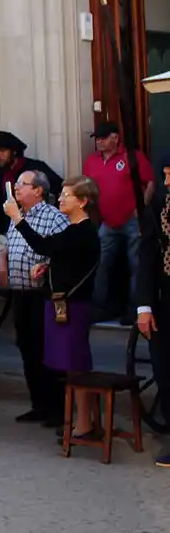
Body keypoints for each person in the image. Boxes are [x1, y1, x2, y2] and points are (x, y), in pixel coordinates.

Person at [4, 176, 102, 442]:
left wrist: (17, 219)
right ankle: (81, 420)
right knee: (69, 365)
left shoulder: (81, 231)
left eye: (67, 195)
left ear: (82, 201)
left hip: (75, 305)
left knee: (75, 365)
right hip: (65, 303)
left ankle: (84, 423)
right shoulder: (74, 231)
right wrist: (48, 267)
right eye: (61, 194)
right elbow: (63, 257)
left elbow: (44, 245)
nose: (60, 198)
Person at [4, 168, 69, 426]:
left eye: (23, 184)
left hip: (42, 294)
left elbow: (62, 252)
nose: (17, 188)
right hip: (19, 293)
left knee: (46, 350)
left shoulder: (54, 218)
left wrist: (46, 266)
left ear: (38, 190)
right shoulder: (14, 216)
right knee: (27, 349)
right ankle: (38, 404)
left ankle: (56, 408)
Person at [83, 121, 153, 320]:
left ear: (115, 138)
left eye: (104, 138)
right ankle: (100, 306)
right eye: (97, 138)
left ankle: (135, 309)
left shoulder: (132, 156)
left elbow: (150, 183)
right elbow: (87, 188)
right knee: (101, 264)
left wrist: (142, 208)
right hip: (106, 221)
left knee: (137, 264)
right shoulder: (92, 161)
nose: (99, 142)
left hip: (132, 221)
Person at [133, 153, 170, 469]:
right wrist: (143, 306)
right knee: (165, 371)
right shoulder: (157, 211)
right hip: (164, 302)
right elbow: (146, 261)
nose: (168, 183)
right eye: (166, 176)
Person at [0, 130, 63, 236]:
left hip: (36, 231)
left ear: (14, 152)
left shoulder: (36, 168)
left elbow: (61, 189)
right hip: (3, 232)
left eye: (2, 150)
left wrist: (54, 218)